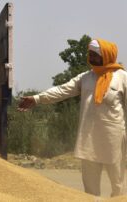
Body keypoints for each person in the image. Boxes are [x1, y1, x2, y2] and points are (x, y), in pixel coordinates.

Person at [18, 38, 126, 197]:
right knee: (90, 191)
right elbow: (62, 90)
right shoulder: (86, 77)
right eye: (90, 54)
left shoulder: (122, 77)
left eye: (95, 54)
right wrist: (37, 98)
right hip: (89, 139)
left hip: (114, 140)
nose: (91, 58)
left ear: (107, 55)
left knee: (118, 187)